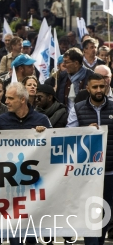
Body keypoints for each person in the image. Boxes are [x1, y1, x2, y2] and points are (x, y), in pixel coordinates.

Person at [68, 73, 113, 245]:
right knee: (90, 213)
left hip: (109, 171)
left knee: (104, 213)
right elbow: (69, 135)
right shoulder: (77, 108)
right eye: (95, 87)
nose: (99, 90)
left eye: (102, 86)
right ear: (88, 88)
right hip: (86, 172)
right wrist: (84, 131)